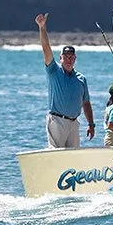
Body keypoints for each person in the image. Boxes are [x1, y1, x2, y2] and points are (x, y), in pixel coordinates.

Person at [37, 13, 93, 148]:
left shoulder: (81, 79)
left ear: (75, 59)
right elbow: (46, 49)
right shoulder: (54, 71)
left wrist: (91, 124)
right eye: (66, 57)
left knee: (73, 158)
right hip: (57, 121)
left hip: (74, 123)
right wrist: (42, 28)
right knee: (56, 155)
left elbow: (86, 103)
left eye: (71, 57)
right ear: (60, 58)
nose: (69, 60)